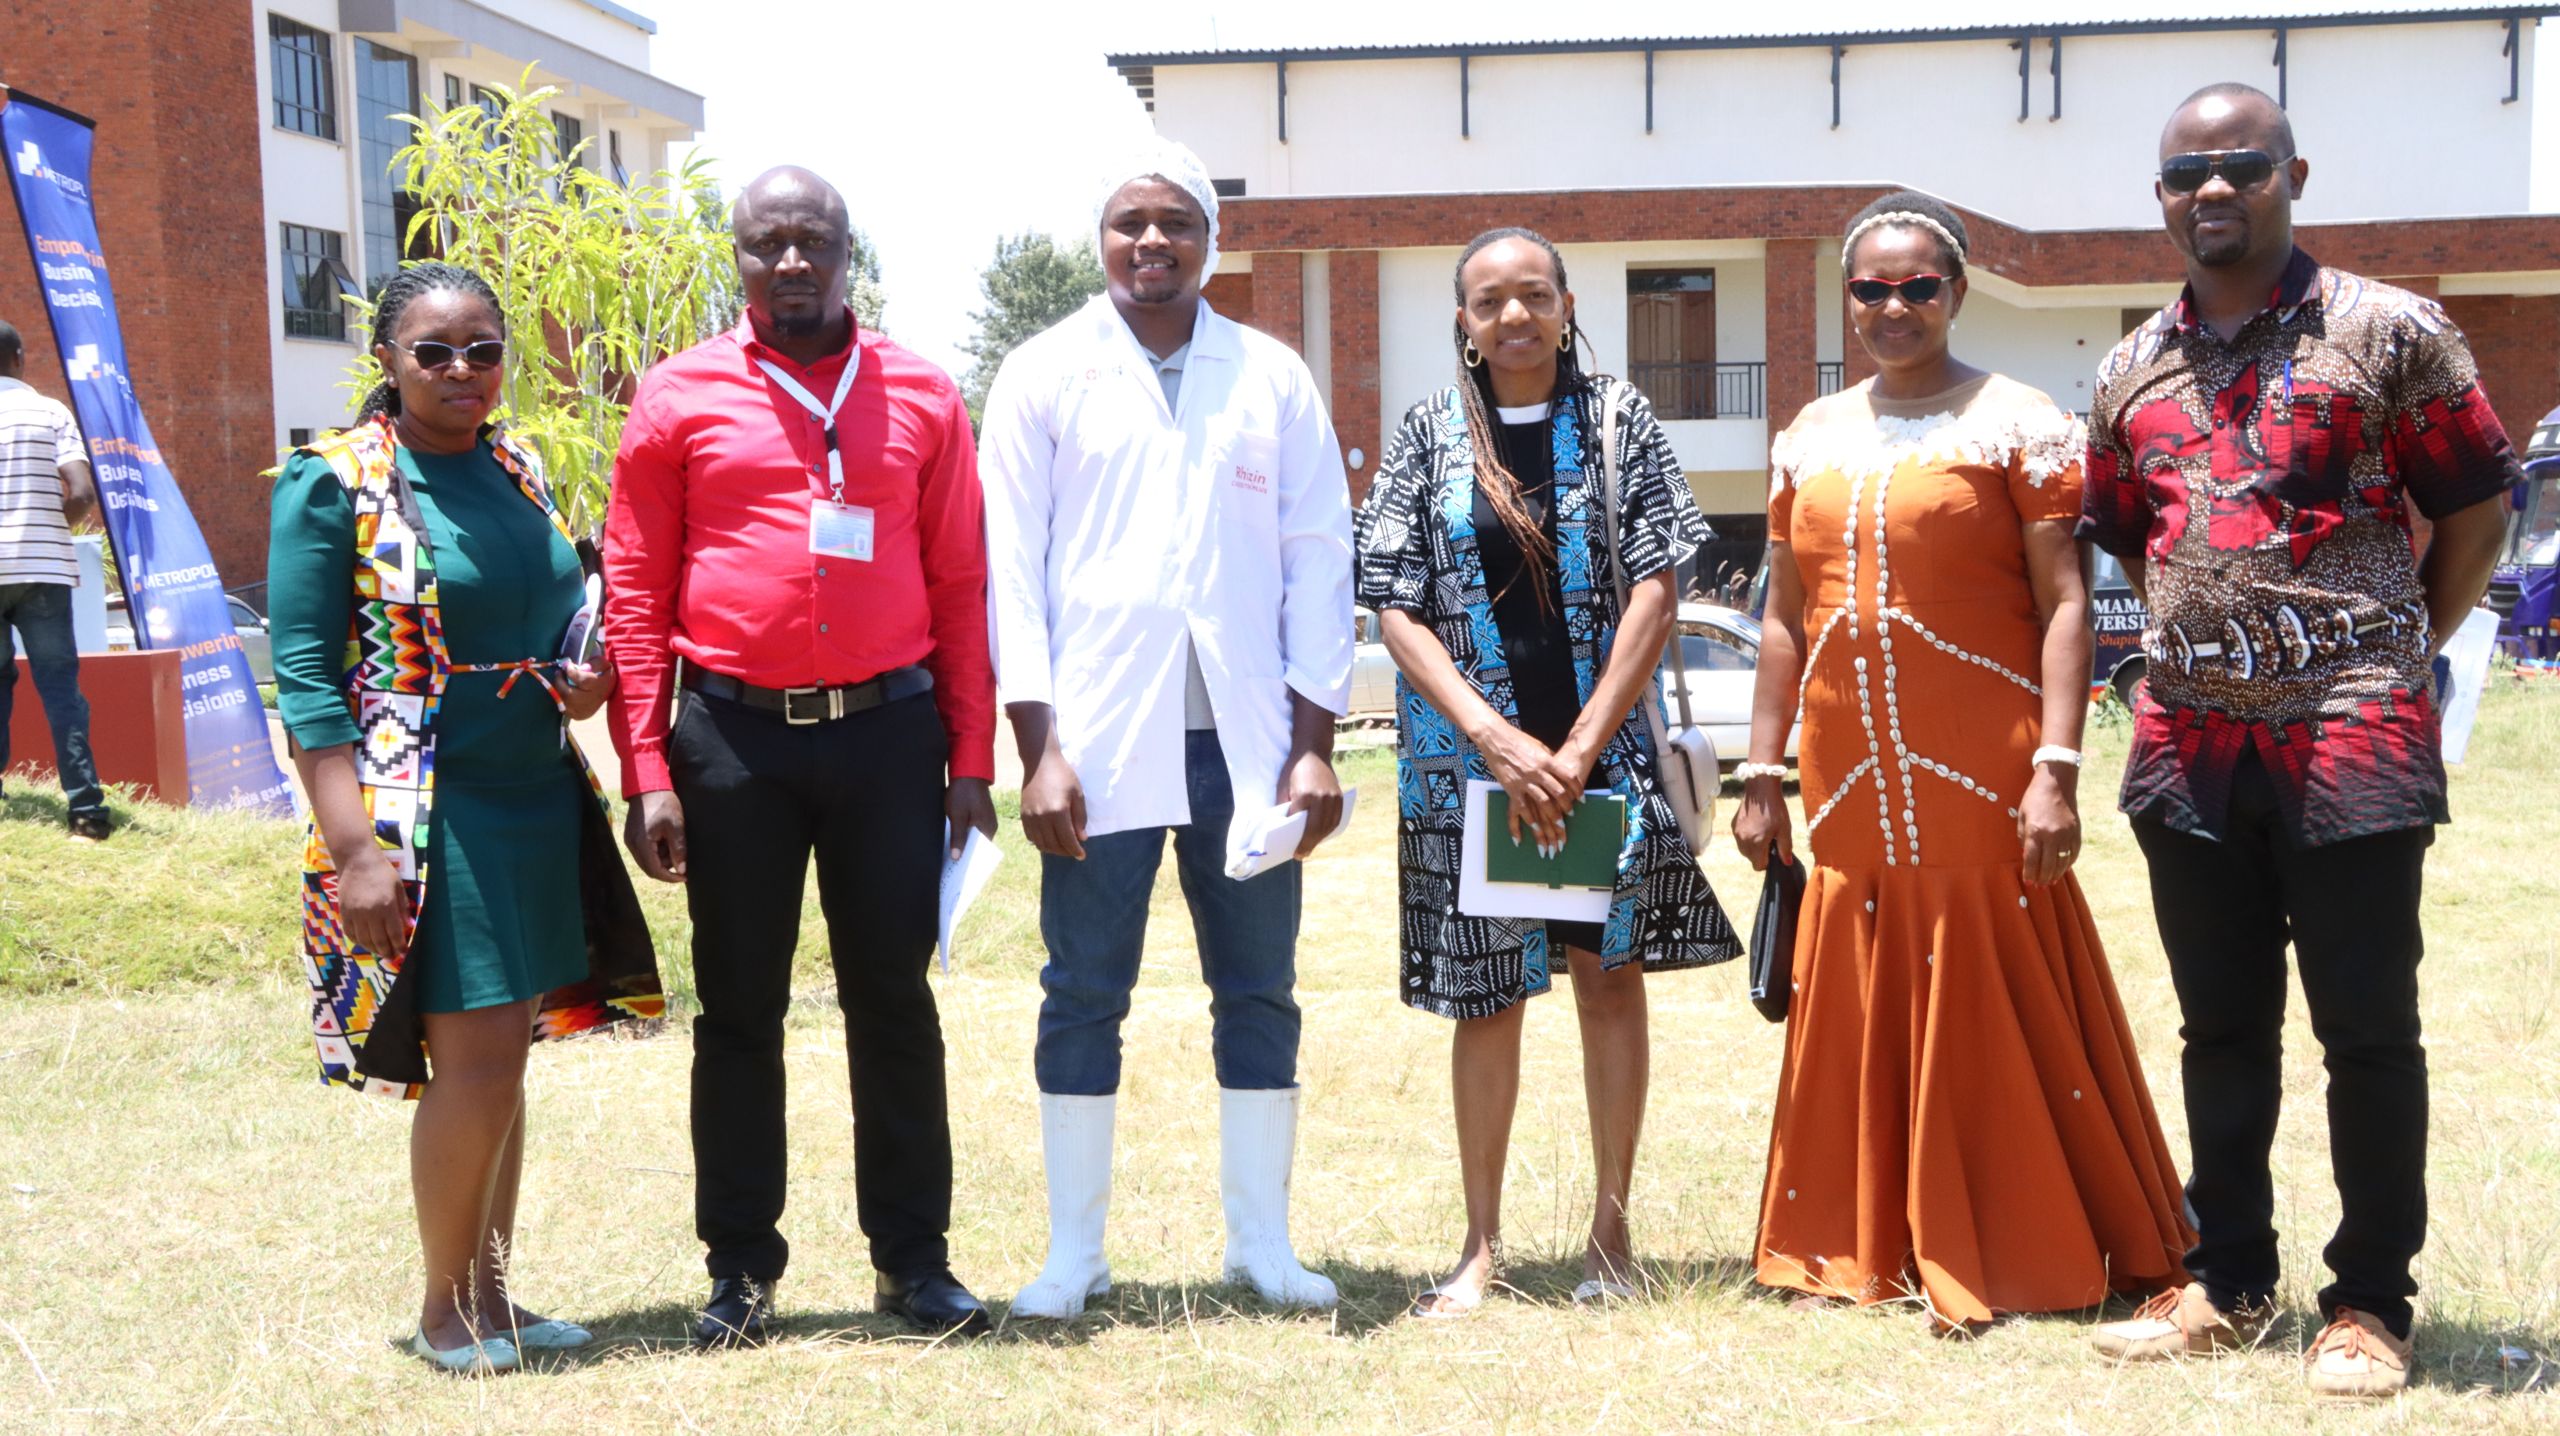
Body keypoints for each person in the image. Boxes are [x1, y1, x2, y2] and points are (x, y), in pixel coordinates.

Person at [2082, 86, 2515, 1397]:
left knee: (2367, 1030)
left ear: (2294, 175)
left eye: (2242, 166)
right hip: (2188, 752)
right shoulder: (2127, 369)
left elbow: (2477, 509)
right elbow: (2134, 538)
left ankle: (2370, 1303)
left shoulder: (2390, 333)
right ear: (2161, 198)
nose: (2213, 189)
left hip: (2354, 739)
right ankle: (2225, 1280)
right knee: (2218, 1030)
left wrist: (2392, 648)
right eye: (2187, 173)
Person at [1733, 192, 2192, 1335]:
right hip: (1844, 774)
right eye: (1870, 288)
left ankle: (2022, 1234)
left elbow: (2065, 601)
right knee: (1858, 959)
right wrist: (1760, 772)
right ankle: (1867, 1236)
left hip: (1983, 765)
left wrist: (2055, 766)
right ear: (1846, 297)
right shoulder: (1807, 432)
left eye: (1917, 286)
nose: (1893, 306)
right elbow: (1783, 617)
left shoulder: (2017, 420)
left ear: (1957, 290)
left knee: (1987, 960)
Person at [604, 166, 999, 1344]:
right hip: (732, 741)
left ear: (845, 251)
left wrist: (970, 756)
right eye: (766, 242)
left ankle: (914, 1263)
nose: (790, 261)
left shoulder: (922, 392)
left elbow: (960, 583)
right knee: (738, 1009)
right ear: (737, 257)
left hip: (888, 736)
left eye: (812, 240)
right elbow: (635, 588)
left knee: (894, 1002)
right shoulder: (677, 395)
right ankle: (740, 1268)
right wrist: (647, 768)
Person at [978, 138, 1352, 1319]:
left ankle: (1261, 1244)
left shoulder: (1270, 376)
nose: (1152, 241)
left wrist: (1312, 740)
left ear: (1210, 241)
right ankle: (1072, 1254)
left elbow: (1317, 558)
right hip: (1096, 744)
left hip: (1247, 747)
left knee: (1260, 988)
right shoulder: (1044, 371)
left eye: (1175, 222)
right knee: (1082, 988)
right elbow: (1010, 572)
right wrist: (1038, 749)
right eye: (1130, 222)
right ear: (1101, 239)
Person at [268, 261, 663, 1374]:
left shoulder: (515, 463)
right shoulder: (334, 480)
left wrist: (581, 685)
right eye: (434, 350)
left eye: (483, 350)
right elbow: (306, 681)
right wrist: (353, 850)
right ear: (387, 360)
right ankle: (445, 1312)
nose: (461, 369)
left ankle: (493, 1297)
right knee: (476, 1064)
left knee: (504, 1063)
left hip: (535, 792)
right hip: (424, 810)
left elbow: (552, 612)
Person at [1355, 227, 1740, 1319]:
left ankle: (1610, 1233)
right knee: (1487, 999)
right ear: (1464, 322)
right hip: (1472, 774)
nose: (1514, 315)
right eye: (1490, 301)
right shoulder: (1428, 433)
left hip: (1591, 766)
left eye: (1534, 294)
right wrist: (1496, 739)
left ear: (1568, 306)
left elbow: (1658, 587)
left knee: (1604, 980)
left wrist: (1571, 751)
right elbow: (1392, 600)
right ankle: (1479, 1245)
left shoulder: (1617, 419)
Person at [0, 319, 107, 839]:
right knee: (60, 688)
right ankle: (87, 812)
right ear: (19, 358)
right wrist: (46, 528)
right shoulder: (50, 412)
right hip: (43, 571)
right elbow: (82, 492)